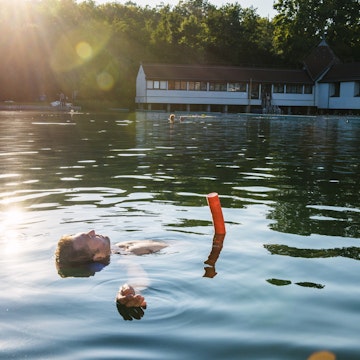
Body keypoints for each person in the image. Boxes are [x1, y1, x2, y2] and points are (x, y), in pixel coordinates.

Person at [55, 230, 167, 318]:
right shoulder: (123, 258)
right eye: (89, 237)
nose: (93, 231)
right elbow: (138, 275)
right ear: (98, 257)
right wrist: (130, 290)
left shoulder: (114, 249)